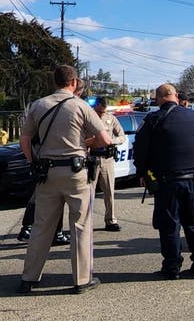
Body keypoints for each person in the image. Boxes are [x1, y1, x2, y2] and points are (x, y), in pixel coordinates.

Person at [17, 65, 111, 295]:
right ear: (74, 82)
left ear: (54, 81)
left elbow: (24, 140)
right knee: (80, 225)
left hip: (46, 173)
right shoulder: (80, 106)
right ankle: (81, 279)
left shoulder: (38, 105)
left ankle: (29, 277)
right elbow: (105, 139)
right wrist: (86, 145)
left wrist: (34, 162)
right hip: (75, 172)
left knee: (41, 227)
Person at [133, 83, 194, 280]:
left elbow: (140, 150)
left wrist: (142, 172)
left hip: (166, 181)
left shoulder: (153, 119)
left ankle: (172, 266)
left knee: (169, 225)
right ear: (176, 96)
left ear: (158, 98)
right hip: (193, 179)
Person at [17, 79, 86, 245]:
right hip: (55, 161)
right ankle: (32, 229)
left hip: (42, 159)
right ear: (76, 89)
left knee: (44, 197)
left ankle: (43, 230)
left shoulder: (42, 105)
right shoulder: (73, 106)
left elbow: (25, 137)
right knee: (46, 199)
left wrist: (32, 161)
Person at [91, 97, 127, 232]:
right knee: (88, 193)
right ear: (95, 106)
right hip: (91, 159)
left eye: (103, 111)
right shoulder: (88, 118)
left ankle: (110, 220)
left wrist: (110, 141)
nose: (101, 114)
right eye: (99, 111)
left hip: (107, 159)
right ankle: (86, 221)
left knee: (109, 191)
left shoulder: (111, 119)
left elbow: (122, 136)